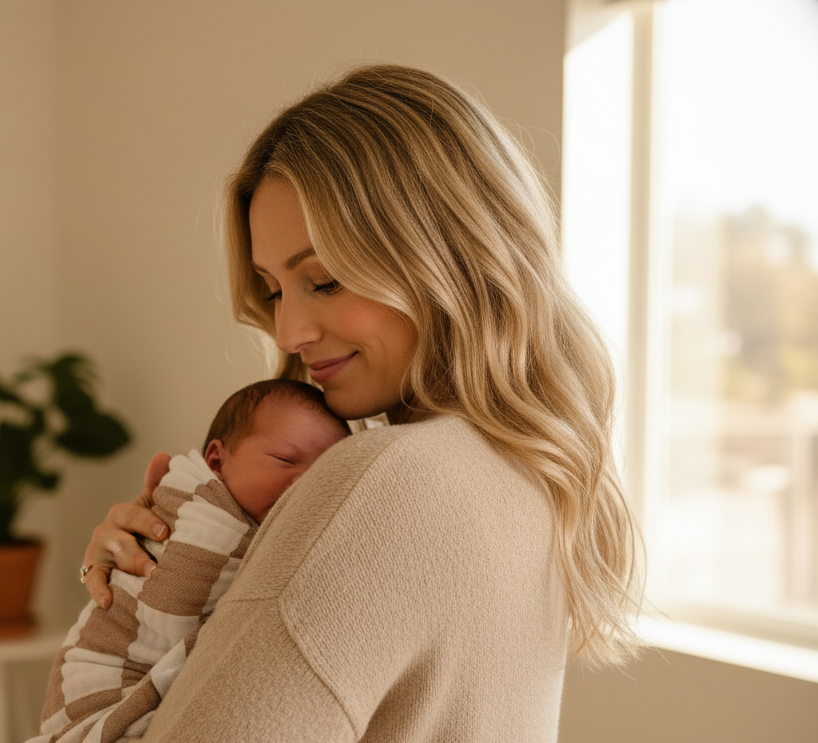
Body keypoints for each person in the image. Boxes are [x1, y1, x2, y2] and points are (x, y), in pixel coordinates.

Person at [79, 64, 642, 742]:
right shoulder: (530, 468)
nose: (288, 332)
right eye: (275, 288)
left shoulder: (387, 478)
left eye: (324, 279)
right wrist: (164, 586)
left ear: (449, 255)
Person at [33, 379, 350, 743]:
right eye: (285, 460)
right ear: (216, 460)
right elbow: (174, 610)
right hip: (99, 679)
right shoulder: (204, 516)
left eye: (323, 476)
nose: (304, 485)